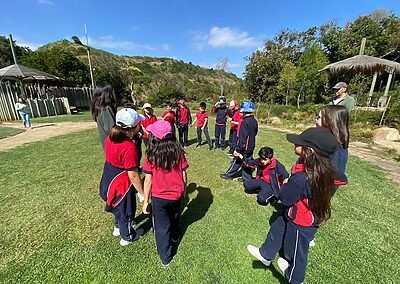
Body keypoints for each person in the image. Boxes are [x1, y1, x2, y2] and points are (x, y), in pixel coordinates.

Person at [247, 127, 338, 284]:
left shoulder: (302, 178)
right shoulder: (323, 169)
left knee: (296, 253)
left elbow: (285, 198)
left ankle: (295, 278)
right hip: (293, 213)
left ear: (308, 151)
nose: (295, 143)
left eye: (299, 142)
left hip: (301, 221)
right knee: (277, 227)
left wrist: (288, 182)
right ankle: (265, 254)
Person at [142, 120, 189, 267]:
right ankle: (175, 236)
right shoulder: (178, 151)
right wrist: (184, 190)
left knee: (162, 227)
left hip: (159, 197)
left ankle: (165, 257)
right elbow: (184, 175)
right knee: (175, 215)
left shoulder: (150, 155)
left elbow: (148, 180)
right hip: (176, 194)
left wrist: (145, 201)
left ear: (154, 138)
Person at [99, 108, 145, 246]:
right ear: (132, 128)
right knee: (126, 209)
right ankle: (128, 236)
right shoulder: (128, 147)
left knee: (117, 206)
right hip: (121, 182)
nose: (140, 126)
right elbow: (133, 175)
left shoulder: (111, 137)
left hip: (108, 177)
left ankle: (117, 228)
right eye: (138, 124)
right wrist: (142, 193)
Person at [220, 101, 258, 182]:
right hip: (251, 145)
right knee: (246, 161)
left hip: (244, 147)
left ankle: (228, 175)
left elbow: (242, 138)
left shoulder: (245, 122)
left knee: (237, 160)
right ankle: (247, 178)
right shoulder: (254, 121)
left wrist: (237, 149)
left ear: (244, 111)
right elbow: (255, 133)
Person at [316, 105, 350, 193]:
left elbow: (331, 176)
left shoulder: (333, 148)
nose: (315, 120)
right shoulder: (333, 143)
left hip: (319, 189)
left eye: (318, 117)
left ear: (328, 122)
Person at [91, 84, 117, 148]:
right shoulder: (106, 109)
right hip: (113, 147)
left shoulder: (98, 110)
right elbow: (112, 130)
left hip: (107, 146)